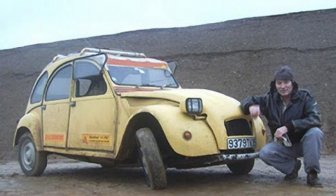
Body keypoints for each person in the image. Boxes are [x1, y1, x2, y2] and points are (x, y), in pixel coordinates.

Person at [240, 65, 324, 187]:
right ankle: (292, 168)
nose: (283, 86)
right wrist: (250, 106)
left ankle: (312, 174)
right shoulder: (269, 99)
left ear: (292, 83)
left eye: (286, 82)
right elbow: (246, 100)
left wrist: (288, 127)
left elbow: (316, 119)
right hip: (284, 145)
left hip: (305, 144)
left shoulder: (305, 97)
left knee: (315, 132)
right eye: (279, 83)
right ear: (275, 84)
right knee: (265, 153)